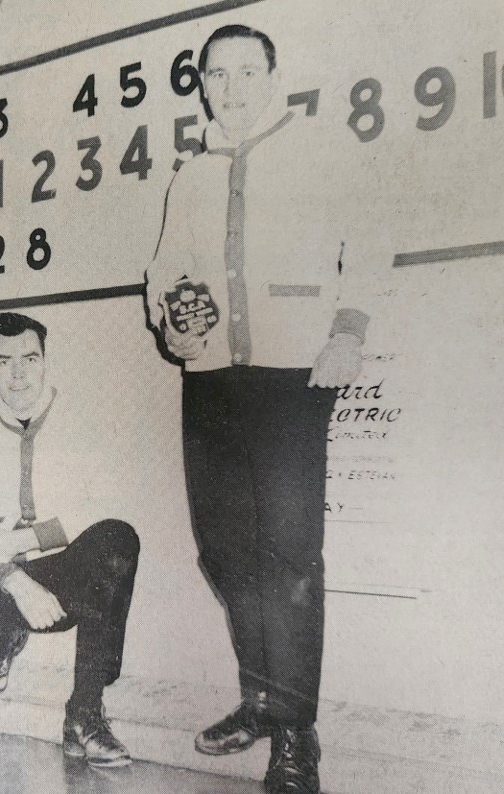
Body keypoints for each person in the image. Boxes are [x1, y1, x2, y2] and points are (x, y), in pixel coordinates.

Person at [145, 25, 372, 794]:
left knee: (290, 559)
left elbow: (370, 240)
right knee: (227, 552)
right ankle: (261, 700)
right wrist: (172, 320)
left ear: (274, 76)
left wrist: (348, 329)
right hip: (210, 380)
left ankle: (296, 736)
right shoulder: (191, 174)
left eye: (248, 71)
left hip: (290, 378)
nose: (232, 86)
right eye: (218, 74)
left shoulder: (321, 149)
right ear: (203, 83)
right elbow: (165, 269)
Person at [0, 312, 140, 768]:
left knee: (118, 539)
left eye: (30, 358)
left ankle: (85, 713)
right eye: (4, 361)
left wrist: (24, 539)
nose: (18, 374)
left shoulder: (81, 419)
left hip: (61, 572)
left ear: (45, 362)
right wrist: (12, 576)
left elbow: (104, 505)